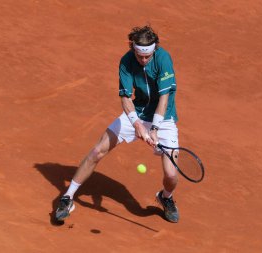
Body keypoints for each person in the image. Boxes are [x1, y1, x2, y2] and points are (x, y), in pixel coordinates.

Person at [55, 25, 181, 223]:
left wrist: (154, 129)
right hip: (137, 112)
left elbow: (164, 99)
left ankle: (165, 197)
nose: (144, 60)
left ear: (154, 50)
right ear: (133, 49)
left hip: (164, 119)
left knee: (171, 175)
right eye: (140, 56)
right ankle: (67, 197)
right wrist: (138, 125)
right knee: (97, 151)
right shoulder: (126, 61)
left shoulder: (163, 58)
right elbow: (125, 98)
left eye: (148, 57)